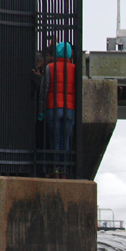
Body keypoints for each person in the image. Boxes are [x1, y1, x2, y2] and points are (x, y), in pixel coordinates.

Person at [45, 42, 76, 176]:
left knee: (54, 140)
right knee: (65, 140)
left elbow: (44, 89)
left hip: (53, 108)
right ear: (70, 53)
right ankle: (64, 169)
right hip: (69, 108)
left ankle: (54, 169)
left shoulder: (50, 67)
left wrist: (41, 110)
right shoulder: (74, 68)